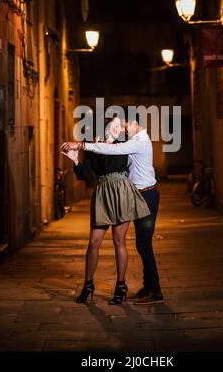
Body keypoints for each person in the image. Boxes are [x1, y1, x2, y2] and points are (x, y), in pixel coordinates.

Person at [62, 113, 163, 305]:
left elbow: (112, 151)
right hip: (106, 195)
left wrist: (83, 144)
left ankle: (137, 288)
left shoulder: (125, 147)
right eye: (115, 126)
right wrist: (76, 159)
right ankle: (90, 285)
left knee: (137, 243)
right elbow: (85, 173)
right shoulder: (100, 146)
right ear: (106, 126)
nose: (120, 129)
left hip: (132, 195)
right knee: (94, 241)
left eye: (122, 126)